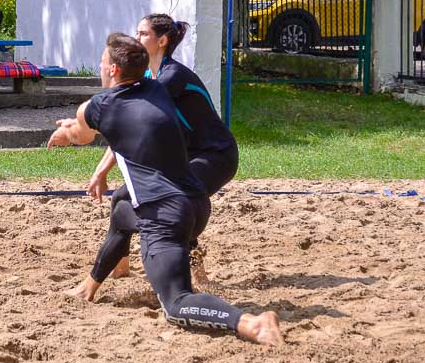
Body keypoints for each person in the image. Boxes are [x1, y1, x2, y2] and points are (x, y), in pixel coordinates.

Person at [47, 33, 283, 346]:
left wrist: (67, 133)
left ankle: (253, 324)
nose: (100, 67)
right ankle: (90, 285)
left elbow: (82, 135)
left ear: (114, 70)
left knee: (176, 303)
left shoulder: (99, 105)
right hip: (196, 202)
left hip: (165, 213)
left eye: (103, 62)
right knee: (121, 206)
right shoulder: (155, 88)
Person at [84, 14, 239, 285]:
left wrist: (100, 170)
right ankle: (120, 260)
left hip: (216, 155)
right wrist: (101, 171)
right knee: (123, 194)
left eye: (143, 33)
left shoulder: (172, 77)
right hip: (189, 155)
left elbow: (126, 124)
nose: (137, 37)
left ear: (162, 41)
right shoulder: (147, 78)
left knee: (179, 199)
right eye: (137, 32)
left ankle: (192, 269)